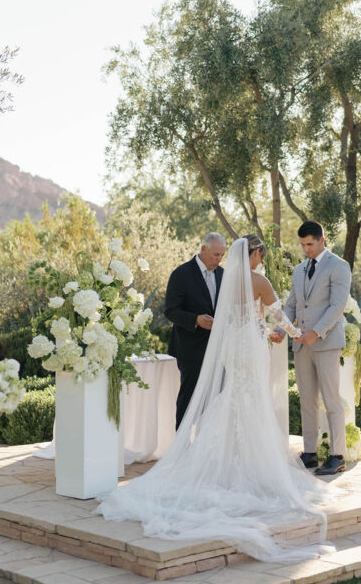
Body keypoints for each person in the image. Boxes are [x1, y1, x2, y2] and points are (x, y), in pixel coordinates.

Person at [98, 236, 334, 561]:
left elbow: (236, 322)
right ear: (254, 254)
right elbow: (277, 317)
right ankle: (249, 469)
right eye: (260, 254)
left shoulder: (228, 283)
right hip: (249, 352)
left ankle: (221, 464)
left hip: (233, 350)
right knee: (250, 403)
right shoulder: (259, 281)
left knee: (234, 401)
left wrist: (262, 332)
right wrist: (298, 335)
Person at [274, 221, 351, 475]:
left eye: (310, 244)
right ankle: (309, 453)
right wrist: (283, 329)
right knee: (307, 400)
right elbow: (292, 305)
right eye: (303, 245)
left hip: (326, 343)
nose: (306, 249)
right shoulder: (298, 270)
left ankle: (337, 455)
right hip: (300, 344)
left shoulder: (339, 266)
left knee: (331, 400)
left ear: (322, 240)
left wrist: (315, 332)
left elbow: (337, 306)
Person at [164, 233, 226, 429]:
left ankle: (203, 447)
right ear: (203, 249)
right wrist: (196, 320)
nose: (219, 259)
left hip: (217, 349)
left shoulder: (223, 275)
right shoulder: (181, 274)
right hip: (190, 349)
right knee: (188, 399)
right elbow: (170, 311)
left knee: (213, 400)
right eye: (215, 254)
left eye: (222, 255)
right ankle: (182, 450)